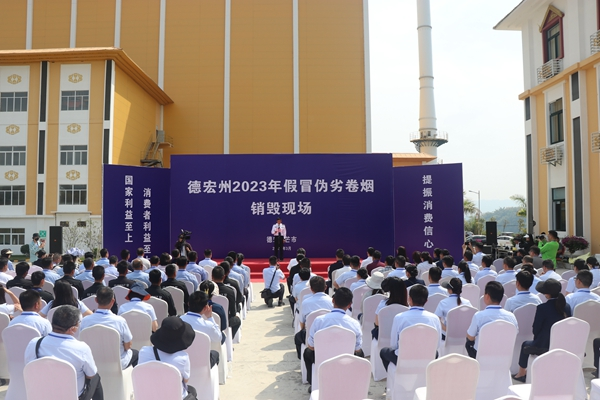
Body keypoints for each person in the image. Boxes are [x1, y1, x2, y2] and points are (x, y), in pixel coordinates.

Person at [25, 305, 104, 400]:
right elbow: (90, 375)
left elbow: (29, 368)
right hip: (72, 397)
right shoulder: (82, 348)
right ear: (73, 329)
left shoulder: (34, 343)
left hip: (42, 395)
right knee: (96, 377)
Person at [512, 279, 571, 382]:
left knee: (525, 344)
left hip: (544, 345)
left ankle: (521, 373)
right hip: (561, 343)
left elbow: (536, 329)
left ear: (547, 294)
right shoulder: (566, 307)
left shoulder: (542, 308)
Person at [303, 287, 362, 389]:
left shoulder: (319, 320)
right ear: (349, 305)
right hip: (346, 361)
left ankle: (313, 383)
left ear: (333, 300)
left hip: (322, 360)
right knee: (361, 354)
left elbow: (311, 346)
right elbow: (357, 349)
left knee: (307, 352)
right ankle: (354, 383)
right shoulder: (354, 324)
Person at [380, 284, 442, 371]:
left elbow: (393, 345)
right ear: (426, 301)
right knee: (436, 353)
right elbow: (437, 344)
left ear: (409, 299)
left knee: (383, 352)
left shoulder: (399, 317)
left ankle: (394, 374)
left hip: (404, 359)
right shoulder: (434, 318)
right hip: (426, 358)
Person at [138, 317, 198, 400]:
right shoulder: (183, 358)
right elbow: (186, 380)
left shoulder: (143, 352)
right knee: (193, 391)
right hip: (174, 397)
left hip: (149, 396)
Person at [80, 287, 138, 369]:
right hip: (116, 364)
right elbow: (128, 346)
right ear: (113, 301)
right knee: (136, 353)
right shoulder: (120, 321)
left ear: (96, 300)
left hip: (92, 362)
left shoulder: (85, 321)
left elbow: (81, 342)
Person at [465, 281, 518, 358]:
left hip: (482, 355)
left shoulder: (479, 316)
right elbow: (515, 333)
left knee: (468, 342)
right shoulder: (511, 316)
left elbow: (470, 337)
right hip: (504, 355)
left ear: (487, 296)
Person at [294, 276, 332, 359]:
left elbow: (302, 322)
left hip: (310, 335)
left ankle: (301, 357)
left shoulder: (306, 302)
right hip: (329, 333)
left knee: (297, 337)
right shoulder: (331, 301)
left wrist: (303, 331)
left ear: (311, 288)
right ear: (326, 287)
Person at [211, 266, 241, 339]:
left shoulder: (208, 291)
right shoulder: (230, 291)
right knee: (237, 320)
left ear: (212, 276)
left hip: (209, 318)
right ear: (224, 277)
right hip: (226, 320)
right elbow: (233, 312)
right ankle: (229, 338)